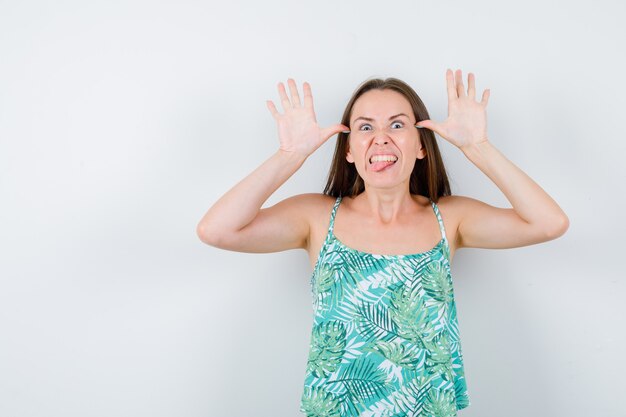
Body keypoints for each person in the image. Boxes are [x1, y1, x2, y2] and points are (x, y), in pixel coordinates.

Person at [196, 69, 569, 416]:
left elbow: (549, 223)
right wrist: (289, 156)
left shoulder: (449, 219)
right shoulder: (316, 217)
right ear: (349, 150)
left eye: (397, 124)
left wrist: (478, 146)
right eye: (364, 127)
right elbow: (217, 231)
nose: (381, 138)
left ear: (421, 145)